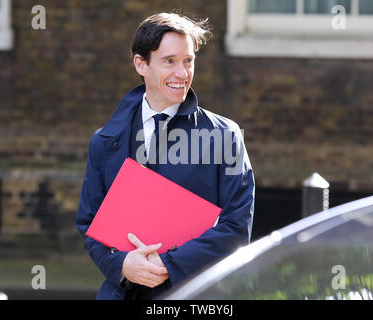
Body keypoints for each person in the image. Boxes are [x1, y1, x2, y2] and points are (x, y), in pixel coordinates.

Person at [76, 12, 255, 300]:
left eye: (188, 61)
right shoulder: (104, 140)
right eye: (169, 61)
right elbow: (89, 223)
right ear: (141, 64)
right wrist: (121, 264)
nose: (182, 74)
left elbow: (236, 228)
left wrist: (168, 264)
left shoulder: (226, 135)